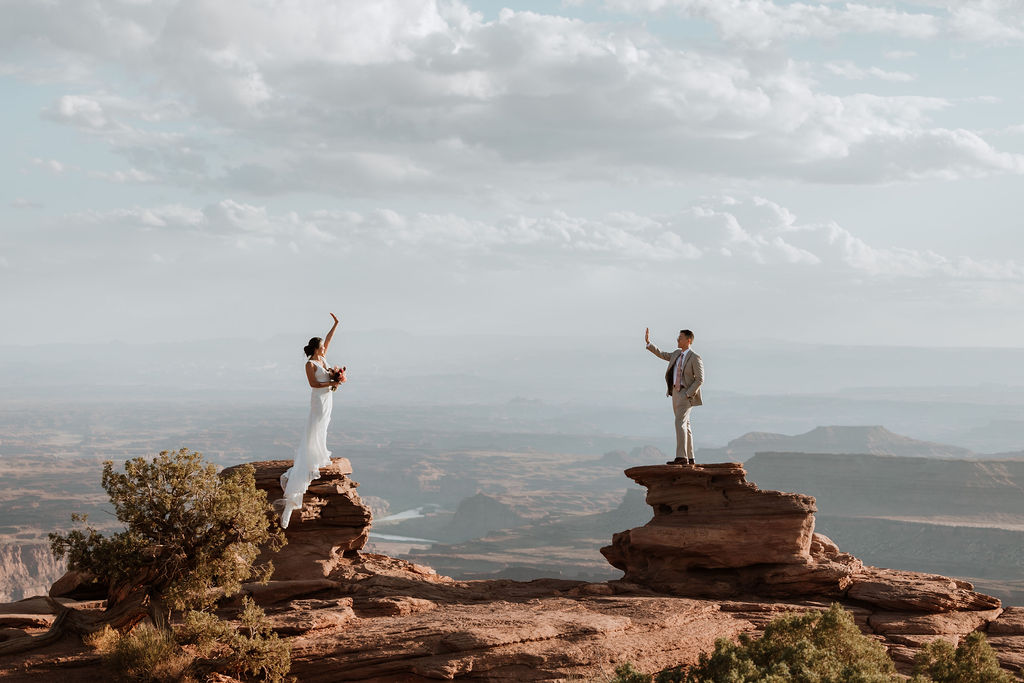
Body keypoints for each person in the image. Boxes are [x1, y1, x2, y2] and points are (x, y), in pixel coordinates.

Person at [280, 312, 345, 528]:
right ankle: (311, 458)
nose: (325, 349)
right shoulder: (311, 365)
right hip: (319, 398)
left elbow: (329, 340)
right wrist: (331, 384)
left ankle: (320, 451)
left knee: (324, 426)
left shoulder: (323, 359)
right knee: (316, 425)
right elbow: (313, 385)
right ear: (316, 349)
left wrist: (335, 324)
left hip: (328, 400)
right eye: (322, 347)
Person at [645, 327, 704, 465]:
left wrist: (689, 394)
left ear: (688, 340)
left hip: (686, 393)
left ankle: (681, 457)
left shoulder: (695, 357)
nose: (678, 339)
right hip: (675, 393)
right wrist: (649, 343)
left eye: (681, 338)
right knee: (686, 425)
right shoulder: (677, 353)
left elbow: (700, 379)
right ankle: (690, 458)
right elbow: (662, 354)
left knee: (679, 423)